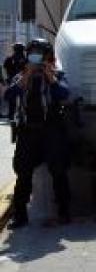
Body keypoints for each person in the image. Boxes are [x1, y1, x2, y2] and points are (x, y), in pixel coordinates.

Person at [4, 38, 72, 228]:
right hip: (28, 132)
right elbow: (9, 95)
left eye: (40, 54)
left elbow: (64, 93)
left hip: (51, 131)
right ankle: (20, 215)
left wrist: (50, 77)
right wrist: (27, 76)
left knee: (58, 171)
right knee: (23, 173)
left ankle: (64, 212)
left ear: (48, 56)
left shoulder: (57, 75)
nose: (36, 58)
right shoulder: (21, 75)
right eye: (33, 54)